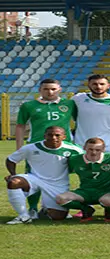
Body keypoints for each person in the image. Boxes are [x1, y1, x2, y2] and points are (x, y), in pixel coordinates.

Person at [15, 78, 78, 218]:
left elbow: (80, 121)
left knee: (61, 178)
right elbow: (20, 126)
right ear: (40, 90)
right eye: (46, 89)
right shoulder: (29, 105)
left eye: (53, 89)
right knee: (33, 177)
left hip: (62, 148)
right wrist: (19, 148)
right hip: (36, 148)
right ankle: (32, 209)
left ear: (59, 89)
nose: (50, 92)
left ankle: (51, 207)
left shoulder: (69, 104)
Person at [5, 126, 84, 224]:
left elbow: (85, 162)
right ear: (44, 136)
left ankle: (45, 210)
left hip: (58, 184)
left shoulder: (74, 149)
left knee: (58, 217)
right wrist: (13, 174)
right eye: (50, 135)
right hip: (35, 179)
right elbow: (11, 159)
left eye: (57, 135)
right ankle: (23, 216)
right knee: (14, 182)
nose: (53, 137)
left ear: (64, 137)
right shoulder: (31, 147)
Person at [55, 138, 110, 223]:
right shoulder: (74, 159)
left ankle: (109, 212)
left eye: (98, 150)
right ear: (84, 148)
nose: (94, 152)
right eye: (90, 149)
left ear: (103, 149)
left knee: (108, 201)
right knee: (60, 198)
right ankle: (86, 210)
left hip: (106, 192)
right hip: (85, 192)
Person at [72, 74, 110, 154]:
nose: (98, 87)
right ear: (88, 85)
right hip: (82, 144)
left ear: (108, 85)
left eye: (102, 84)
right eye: (94, 84)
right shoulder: (78, 99)